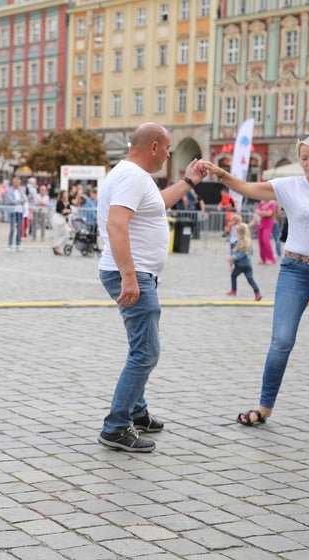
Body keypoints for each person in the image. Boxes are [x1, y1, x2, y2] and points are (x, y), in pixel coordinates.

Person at [199, 132, 309, 432]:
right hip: (295, 269)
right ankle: (264, 407)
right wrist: (222, 173)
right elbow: (248, 189)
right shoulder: (288, 186)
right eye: (304, 157)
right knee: (281, 340)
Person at [97, 122, 204, 452]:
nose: (169, 155)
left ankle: (137, 412)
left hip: (137, 272)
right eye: (168, 149)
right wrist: (129, 276)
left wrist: (188, 181)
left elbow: (158, 203)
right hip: (133, 273)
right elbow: (117, 224)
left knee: (139, 346)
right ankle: (116, 426)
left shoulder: (133, 176)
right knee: (146, 352)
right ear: (154, 147)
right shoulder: (131, 176)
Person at [227, 222, 262, 301]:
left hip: (240, 265)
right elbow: (250, 253)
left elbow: (241, 254)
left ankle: (234, 290)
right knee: (250, 280)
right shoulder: (249, 241)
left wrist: (233, 257)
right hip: (248, 265)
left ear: (240, 233)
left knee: (233, 276)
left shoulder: (242, 242)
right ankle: (257, 293)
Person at [2, 177, 26, 251]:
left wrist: (17, 201)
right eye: (16, 182)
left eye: (19, 183)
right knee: (12, 228)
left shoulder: (21, 191)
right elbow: (10, 200)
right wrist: (19, 201)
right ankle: (9, 244)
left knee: (19, 228)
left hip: (20, 211)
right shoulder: (9, 190)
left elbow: (24, 199)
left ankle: (18, 244)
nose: (18, 184)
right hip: (12, 211)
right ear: (14, 183)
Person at [251, 199, 277, 264]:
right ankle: (263, 259)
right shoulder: (261, 204)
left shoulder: (272, 204)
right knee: (261, 242)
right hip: (260, 224)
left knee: (266, 240)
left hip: (268, 224)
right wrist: (263, 213)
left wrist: (260, 212)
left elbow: (269, 213)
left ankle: (271, 258)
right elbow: (257, 212)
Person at [51, 189, 71, 255]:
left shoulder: (67, 202)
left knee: (66, 234)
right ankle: (57, 249)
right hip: (57, 218)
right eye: (65, 194)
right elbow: (63, 211)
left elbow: (69, 211)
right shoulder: (59, 202)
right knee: (57, 234)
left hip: (63, 219)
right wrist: (67, 210)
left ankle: (57, 246)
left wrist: (67, 210)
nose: (66, 195)